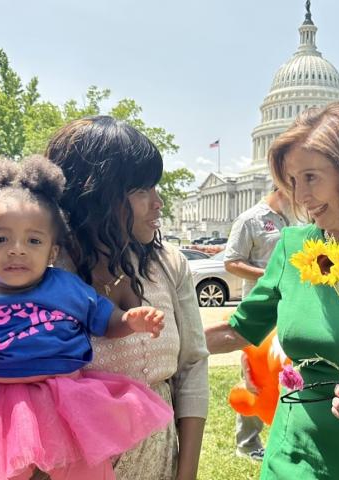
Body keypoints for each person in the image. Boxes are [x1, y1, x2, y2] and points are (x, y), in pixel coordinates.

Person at [205, 101, 339, 479]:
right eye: (291, 181)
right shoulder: (292, 246)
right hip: (295, 458)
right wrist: (146, 340)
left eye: (310, 177)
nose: (299, 197)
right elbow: (238, 330)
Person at [0, 156, 174, 480]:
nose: (17, 249)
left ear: (52, 252)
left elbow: (104, 320)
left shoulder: (66, 288)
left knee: (83, 473)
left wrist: (131, 321)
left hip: (67, 402)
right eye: (0, 239)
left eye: (34, 240)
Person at [45, 116, 209, 480]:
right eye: (141, 190)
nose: (159, 202)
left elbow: (192, 367)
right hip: (72, 467)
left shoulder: (169, 265)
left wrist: (187, 474)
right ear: (95, 196)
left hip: (159, 461)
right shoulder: (43, 272)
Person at [224, 186, 290, 461]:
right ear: (284, 187)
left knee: (285, 372)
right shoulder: (250, 219)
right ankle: (247, 444)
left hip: (288, 306)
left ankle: (281, 436)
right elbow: (231, 262)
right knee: (254, 375)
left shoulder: (296, 219)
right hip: (259, 310)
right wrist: (270, 274)